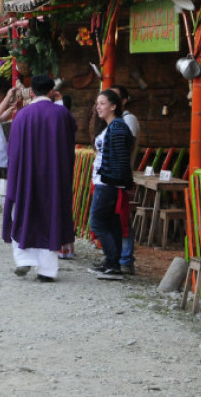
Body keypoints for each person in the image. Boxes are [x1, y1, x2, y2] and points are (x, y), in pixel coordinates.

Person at [2, 76, 76, 282]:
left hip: (26, 174)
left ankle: (23, 258)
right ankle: (47, 270)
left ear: (32, 92)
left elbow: (13, 150)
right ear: (52, 91)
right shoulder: (61, 114)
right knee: (50, 216)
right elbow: (71, 135)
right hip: (53, 176)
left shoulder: (22, 115)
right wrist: (60, 104)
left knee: (23, 212)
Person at [87, 89, 134, 281]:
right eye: (97, 103)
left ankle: (113, 262)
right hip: (106, 180)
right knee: (111, 222)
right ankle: (112, 263)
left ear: (114, 106)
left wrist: (124, 181)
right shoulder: (111, 127)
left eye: (103, 103)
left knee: (97, 221)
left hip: (109, 182)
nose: (98, 107)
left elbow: (123, 158)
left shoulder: (118, 127)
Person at [110, 85, 140, 275]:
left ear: (123, 101)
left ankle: (126, 259)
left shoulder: (129, 120)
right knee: (112, 217)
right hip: (111, 176)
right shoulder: (115, 119)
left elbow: (125, 149)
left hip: (121, 175)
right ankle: (115, 257)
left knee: (123, 217)